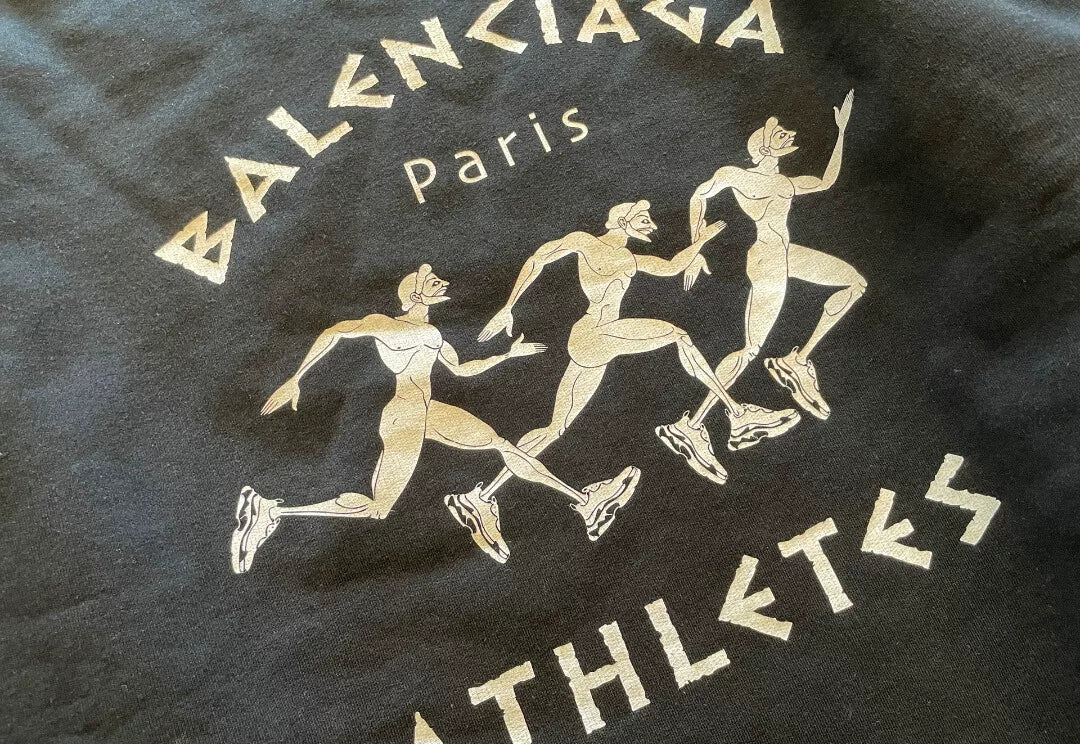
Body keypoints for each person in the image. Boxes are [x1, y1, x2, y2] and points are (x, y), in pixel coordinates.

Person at [230, 265, 641, 571]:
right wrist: (296, 378)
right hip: (405, 415)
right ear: (414, 295)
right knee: (378, 508)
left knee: (501, 444)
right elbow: (336, 331)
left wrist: (506, 355)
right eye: (431, 282)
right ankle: (272, 512)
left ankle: (583, 500)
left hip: (428, 412)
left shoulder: (435, 335)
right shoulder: (385, 325)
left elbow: (461, 370)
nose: (441, 283)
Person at [473, 201, 799, 502]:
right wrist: (508, 307)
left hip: (595, 341)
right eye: (643, 220)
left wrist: (700, 241)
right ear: (622, 221)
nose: (651, 226)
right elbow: (538, 258)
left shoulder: (631, 258)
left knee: (555, 428)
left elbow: (670, 267)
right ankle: (735, 415)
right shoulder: (585, 242)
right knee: (678, 335)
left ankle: (483, 495)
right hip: (595, 333)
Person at [684, 90, 864, 425]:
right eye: (780, 135)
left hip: (784, 254)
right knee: (751, 349)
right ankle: (694, 423)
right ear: (765, 148)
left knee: (855, 283)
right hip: (767, 260)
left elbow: (825, 182)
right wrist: (696, 246)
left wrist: (841, 132)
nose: (789, 135)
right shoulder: (736, 175)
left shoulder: (784, 182)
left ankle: (798, 360)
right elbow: (699, 195)